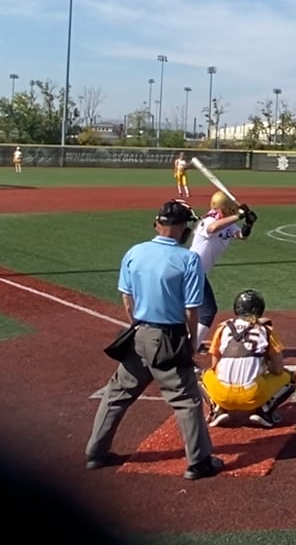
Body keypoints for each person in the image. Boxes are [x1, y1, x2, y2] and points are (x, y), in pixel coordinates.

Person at [85, 200, 223, 479]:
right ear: (184, 228)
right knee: (186, 399)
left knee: (116, 395)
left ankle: (95, 453)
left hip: (139, 335)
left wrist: (137, 326)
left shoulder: (135, 252)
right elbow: (191, 309)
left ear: (157, 224)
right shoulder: (188, 259)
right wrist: (191, 341)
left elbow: (127, 298)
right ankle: (198, 462)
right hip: (169, 337)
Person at [202, 290, 296, 429]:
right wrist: (265, 365)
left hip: (222, 394)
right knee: (290, 378)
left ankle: (216, 408)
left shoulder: (223, 328)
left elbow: (215, 366)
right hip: (252, 395)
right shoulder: (266, 330)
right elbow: (278, 370)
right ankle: (265, 411)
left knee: (205, 375)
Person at [189, 191, 256, 347]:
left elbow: (242, 235)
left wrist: (249, 223)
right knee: (207, 312)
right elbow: (212, 228)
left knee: (193, 309)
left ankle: (189, 342)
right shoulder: (209, 220)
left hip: (198, 272)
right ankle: (190, 349)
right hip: (192, 270)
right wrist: (238, 216)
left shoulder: (227, 223)